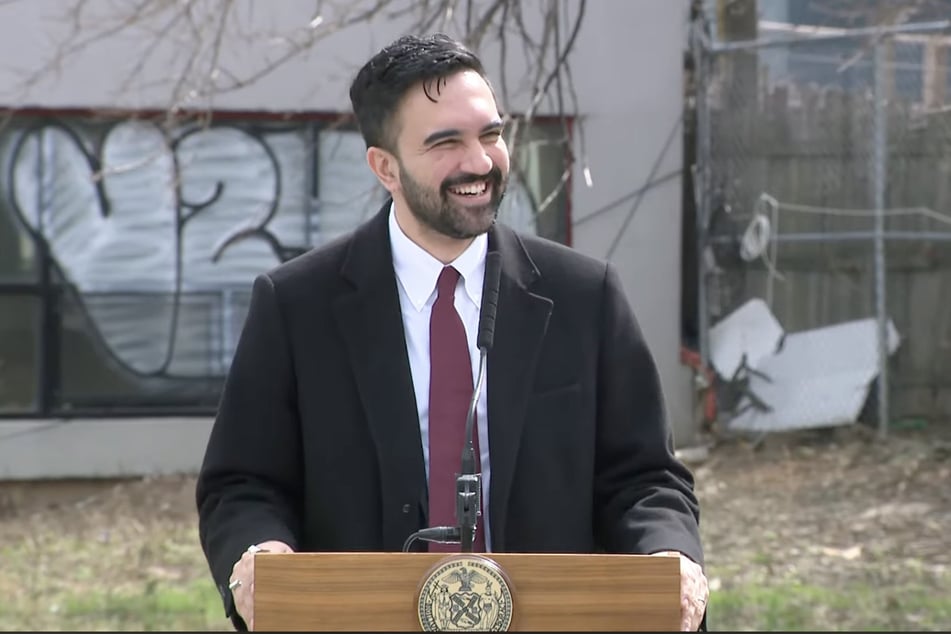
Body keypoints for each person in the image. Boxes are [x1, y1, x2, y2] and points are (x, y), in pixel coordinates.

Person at [195, 32, 709, 631]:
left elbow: (644, 477)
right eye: (446, 142)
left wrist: (666, 557)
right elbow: (243, 483)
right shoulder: (294, 304)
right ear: (384, 166)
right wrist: (260, 558)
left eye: (490, 134)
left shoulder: (584, 296)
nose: (480, 161)